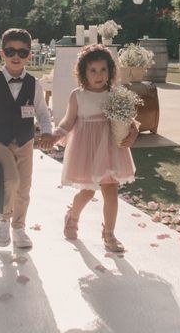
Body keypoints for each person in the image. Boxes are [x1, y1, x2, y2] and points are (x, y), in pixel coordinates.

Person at [0, 28, 56, 248]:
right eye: (10, 51)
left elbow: (43, 112)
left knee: (24, 187)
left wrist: (47, 131)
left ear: (30, 55)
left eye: (21, 52)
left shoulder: (34, 84)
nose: (16, 56)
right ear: (2, 54)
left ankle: (19, 228)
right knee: (10, 180)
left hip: (25, 141)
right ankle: (4, 220)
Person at [52, 44, 138, 252]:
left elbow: (130, 120)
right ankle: (72, 216)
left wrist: (133, 133)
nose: (99, 75)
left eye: (103, 69)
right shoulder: (78, 95)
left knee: (111, 190)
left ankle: (109, 234)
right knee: (88, 191)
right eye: (93, 70)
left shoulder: (115, 93)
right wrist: (55, 135)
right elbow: (67, 122)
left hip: (110, 149)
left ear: (110, 71)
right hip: (86, 150)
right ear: (83, 72)